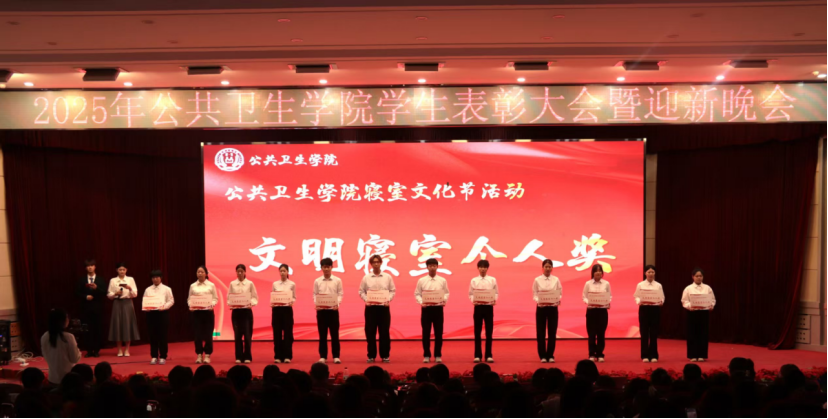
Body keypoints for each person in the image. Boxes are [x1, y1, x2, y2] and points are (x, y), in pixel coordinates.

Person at [359, 254, 396, 364]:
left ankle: (385, 355)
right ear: (371, 264)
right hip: (371, 309)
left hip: (383, 308)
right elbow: (361, 291)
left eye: (378, 262)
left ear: (381, 263)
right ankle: (371, 355)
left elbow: (392, 291)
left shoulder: (387, 277)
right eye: (374, 262)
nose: (376, 264)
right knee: (370, 332)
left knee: (384, 332)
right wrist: (367, 300)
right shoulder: (366, 278)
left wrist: (388, 299)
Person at [415, 258, 450, 364]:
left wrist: (444, 300)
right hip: (426, 309)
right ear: (427, 267)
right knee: (426, 333)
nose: (432, 268)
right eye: (430, 266)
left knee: (438, 333)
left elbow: (446, 293)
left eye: (434, 266)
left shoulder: (442, 280)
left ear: (437, 267)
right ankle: (426, 355)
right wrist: (422, 302)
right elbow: (417, 293)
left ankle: (438, 355)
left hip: (438, 309)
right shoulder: (421, 280)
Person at [313, 257, 344, 364]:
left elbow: (340, 294)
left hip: (333, 311)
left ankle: (336, 356)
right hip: (321, 311)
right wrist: (317, 303)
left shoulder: (337, 280)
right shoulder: (317, 281)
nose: (326, 269)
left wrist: (337, 304)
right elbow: (315, 294)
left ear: (332, 267)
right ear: (321, 268)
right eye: (324, 267)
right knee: (322, 334)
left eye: (328, 267)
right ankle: (323, 356)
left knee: (335, 334)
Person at [682, 268, 716, 362]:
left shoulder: (707, 288)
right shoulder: (688, 288)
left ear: (703, 277)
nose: (699, 278)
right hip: (692, 313)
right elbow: (684, 301)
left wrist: (711, 306)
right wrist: (690, 306)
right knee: (692, 333)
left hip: (704, 313)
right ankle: (692, 355)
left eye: (700, 276)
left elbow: (712, 300)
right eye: (697, 276)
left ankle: (702, 355)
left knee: (703, 333)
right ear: (693, 277)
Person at [41, 309, 82, 385]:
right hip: (68, 379)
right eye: (66, 318)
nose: (68, 320)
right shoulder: (68, 337)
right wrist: (78, 351)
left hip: (52, 378)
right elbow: (75, 359)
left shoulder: (44, 336)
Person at [107, 263, 140, 357]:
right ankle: (119, 349)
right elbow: (109, 295)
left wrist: (129, 288)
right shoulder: (113, 280)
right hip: (117, 303)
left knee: (127, 325)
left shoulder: (130, 279)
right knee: (118, 325)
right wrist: (115, 293)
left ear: (126, 270)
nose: (122, 271)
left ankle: (127, 349)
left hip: (128, 302)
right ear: (117, 270)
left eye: (123, 269)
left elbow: (135, 294)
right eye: (120, 269)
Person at [143, 269, 175, 365]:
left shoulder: (167, 289)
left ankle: (163, 356)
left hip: (162, 314)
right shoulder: (148, 289)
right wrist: (146, 308)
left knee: (163, 336)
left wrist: (164, 307)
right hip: (151, 315)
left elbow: (171, 301)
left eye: (157, 277)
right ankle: (154, 356)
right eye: (153, 277)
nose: (155, 279)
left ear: (161, 278)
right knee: (152, 336)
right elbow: (145, 301)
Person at [469, 259, 498, 364]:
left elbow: (496, 293)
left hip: (488, 307)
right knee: (477, 332)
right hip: (478, 307)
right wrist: (474, 300)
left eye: (484, 267)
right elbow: (470, 294)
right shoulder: (474, 280)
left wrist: (494, 300)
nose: (482, 269)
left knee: (489, 332)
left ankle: (489, 355)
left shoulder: (492, 280)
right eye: (481, 267)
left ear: (487, 268)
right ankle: (477, 355)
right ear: (478, 268)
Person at [533, 259, 562, 363]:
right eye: (546, 266)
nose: (548, 268)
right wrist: (539, 300)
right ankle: (542, 356)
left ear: (552, 268)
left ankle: (550, 355)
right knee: (540, 332)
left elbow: (559, 293)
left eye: (549, 267)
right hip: (541, 308)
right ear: (543, 268)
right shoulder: (537, 280)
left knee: (552, 332)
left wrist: (556, 299)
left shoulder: (556, 280)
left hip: (553, 308)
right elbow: (535, 294)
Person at [634, 265, 665, 363]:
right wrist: (640, 301)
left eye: (652, 272)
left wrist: (661, 302)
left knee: (654, 333)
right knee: (644, 333)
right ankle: (645, 355)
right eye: (649, 272)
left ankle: (654, 355)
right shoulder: (640, 285)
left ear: (655, 273)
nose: (650, 274)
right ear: (645, 273)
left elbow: (662, 297)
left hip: (655, 310)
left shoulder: (658, 285)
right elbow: (636, 296)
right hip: (644, 309)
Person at [228, 264, 258, 364]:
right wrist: (231, 304)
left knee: (247, 335)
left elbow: (254, 297)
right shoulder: (232, 284)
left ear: (245, 272)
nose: (240, 273)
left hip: (246, 312)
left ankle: (247, 356)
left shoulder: (250, 283)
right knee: (237, 335)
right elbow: (229, 297)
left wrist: (250, 304)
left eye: (242, 271)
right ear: (236, 272)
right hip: (236, 312)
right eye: (238, 271)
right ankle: (238, 356)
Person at [76, 259, 106, 358]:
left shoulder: (100, 279)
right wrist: (85, 296)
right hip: (86, 308)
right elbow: (77, 293)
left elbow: (105, 293)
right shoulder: (82, 280)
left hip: (98, 308)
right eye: (88, 266)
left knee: (97, 329)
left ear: (95, 267)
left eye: (92, 265)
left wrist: (97, 288)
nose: (90, 267)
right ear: (85, 268)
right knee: (87, 329)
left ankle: (96, 350)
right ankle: (89, 350)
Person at [189, 266, 218, 365]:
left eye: (202, 272)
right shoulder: (193, 286)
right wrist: (191, 305)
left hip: (208, 313)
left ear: (206, 274)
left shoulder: (211, 285)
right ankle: (199, 354)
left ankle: (207, 355)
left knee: (208, 334)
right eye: (198, 272)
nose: (200, 274)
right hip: (197, 313)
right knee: (197, 335)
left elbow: (215, 298)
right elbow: (189, 298)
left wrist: (211, 305)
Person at [582, 264, 611, 363]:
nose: (598, 272)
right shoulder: (588, 284)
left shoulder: (606, 284)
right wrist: (589, 302)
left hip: (602, 311)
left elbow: (609, 296)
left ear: (602, 272)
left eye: (600, 271)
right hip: (591, 311)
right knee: (591, 333)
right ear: (593, 273)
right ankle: (591, 354)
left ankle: (600, 354)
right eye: (596, 271)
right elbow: (584, 296)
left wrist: (607, 302)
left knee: (601, 333)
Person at [271, 263, 296, 364]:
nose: (282, 273)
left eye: (284, 271)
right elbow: (273, 295)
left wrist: (291, 301)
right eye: (281, 271)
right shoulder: (275, 284)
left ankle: (287, 356)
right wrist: (273, 302)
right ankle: (277, 356)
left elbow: (294, 297)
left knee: (288, 334)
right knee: (277, 333)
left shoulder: (292, 284)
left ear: (287, 272)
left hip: (287, 310)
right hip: (277, 310)